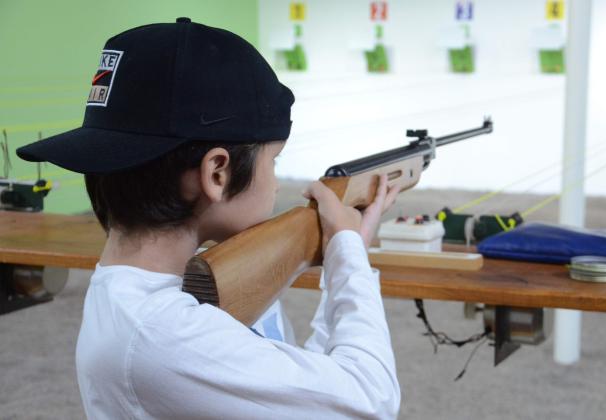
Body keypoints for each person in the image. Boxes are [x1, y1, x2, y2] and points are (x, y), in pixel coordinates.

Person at [17, 18, 401, 419]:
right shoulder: (163, 336)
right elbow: (370, 400)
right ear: (217, 173)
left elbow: (313, 394)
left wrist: (344, 253)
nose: (274, 183)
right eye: (274, 160)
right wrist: (349, 255)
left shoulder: (156, 296)